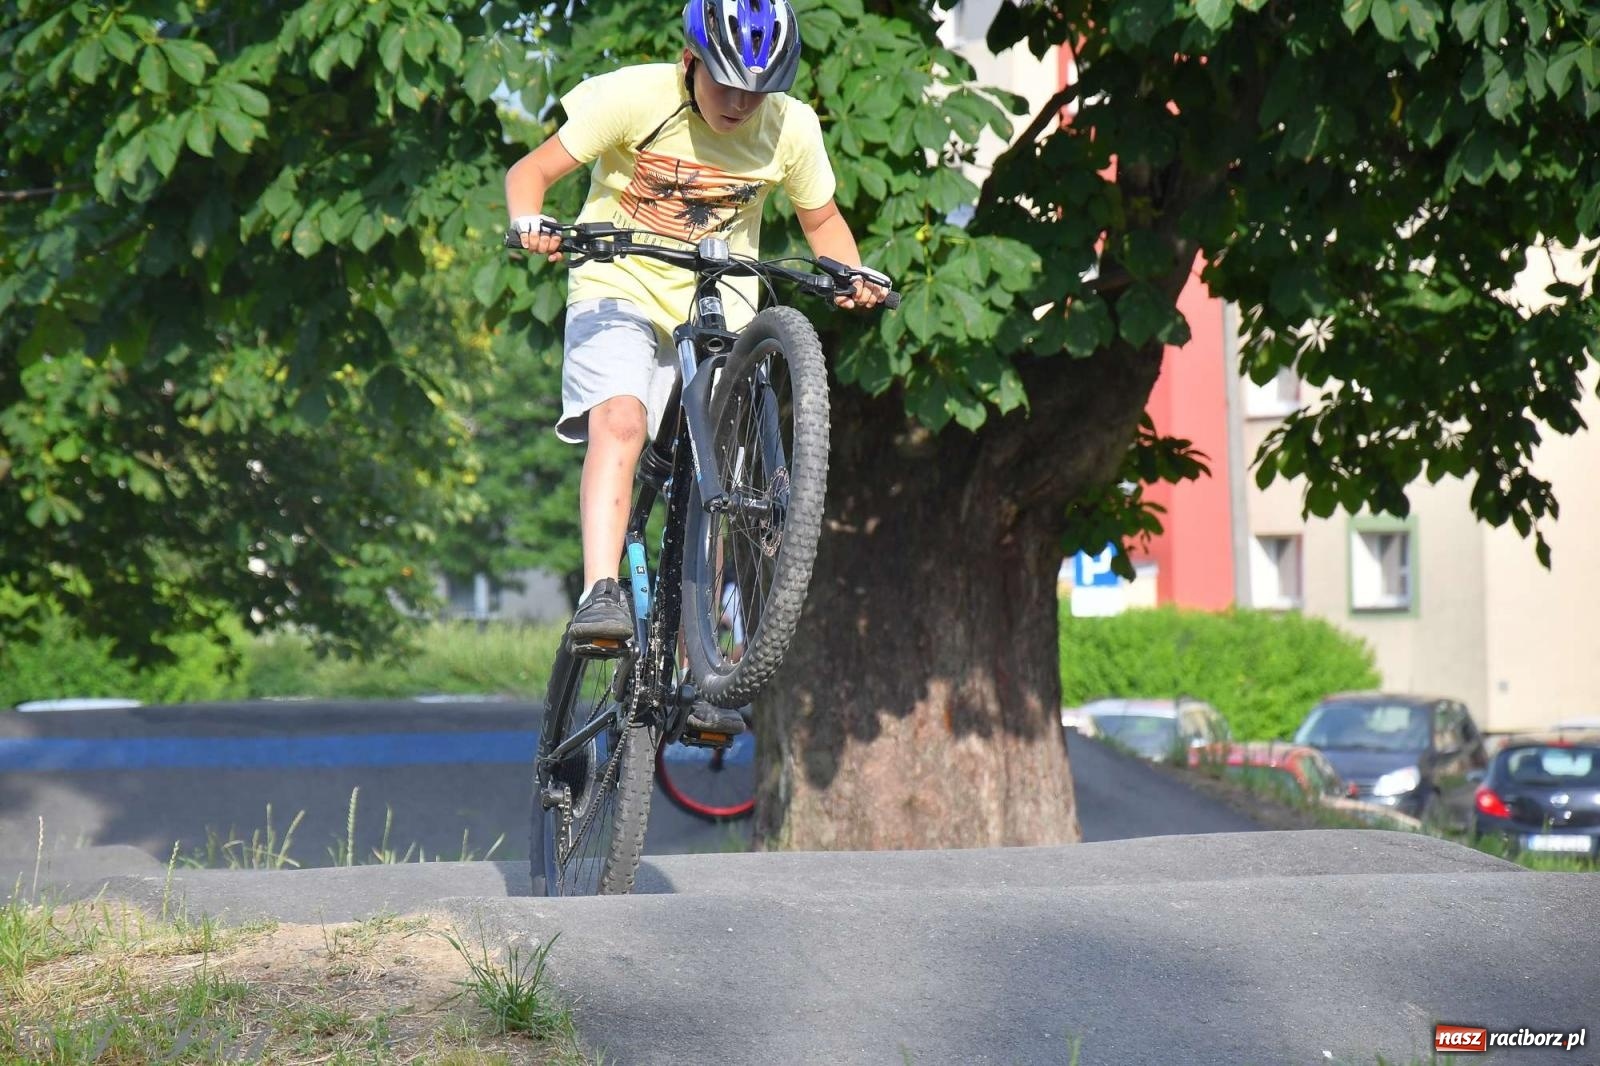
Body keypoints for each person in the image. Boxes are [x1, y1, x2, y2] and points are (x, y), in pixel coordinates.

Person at [503, 0, 888, 697]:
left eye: (757, 91)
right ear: (690, 62)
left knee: (716, 478)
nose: (740, 103)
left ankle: (695, 665)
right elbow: (529, 174)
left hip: (719, 296)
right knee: (621, 420)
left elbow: (823, 220)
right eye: (726, 83)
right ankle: (600, 594)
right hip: (618, 281)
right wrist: (531, 222)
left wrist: (851, 274)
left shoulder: (790, 127)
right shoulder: (631, 98)